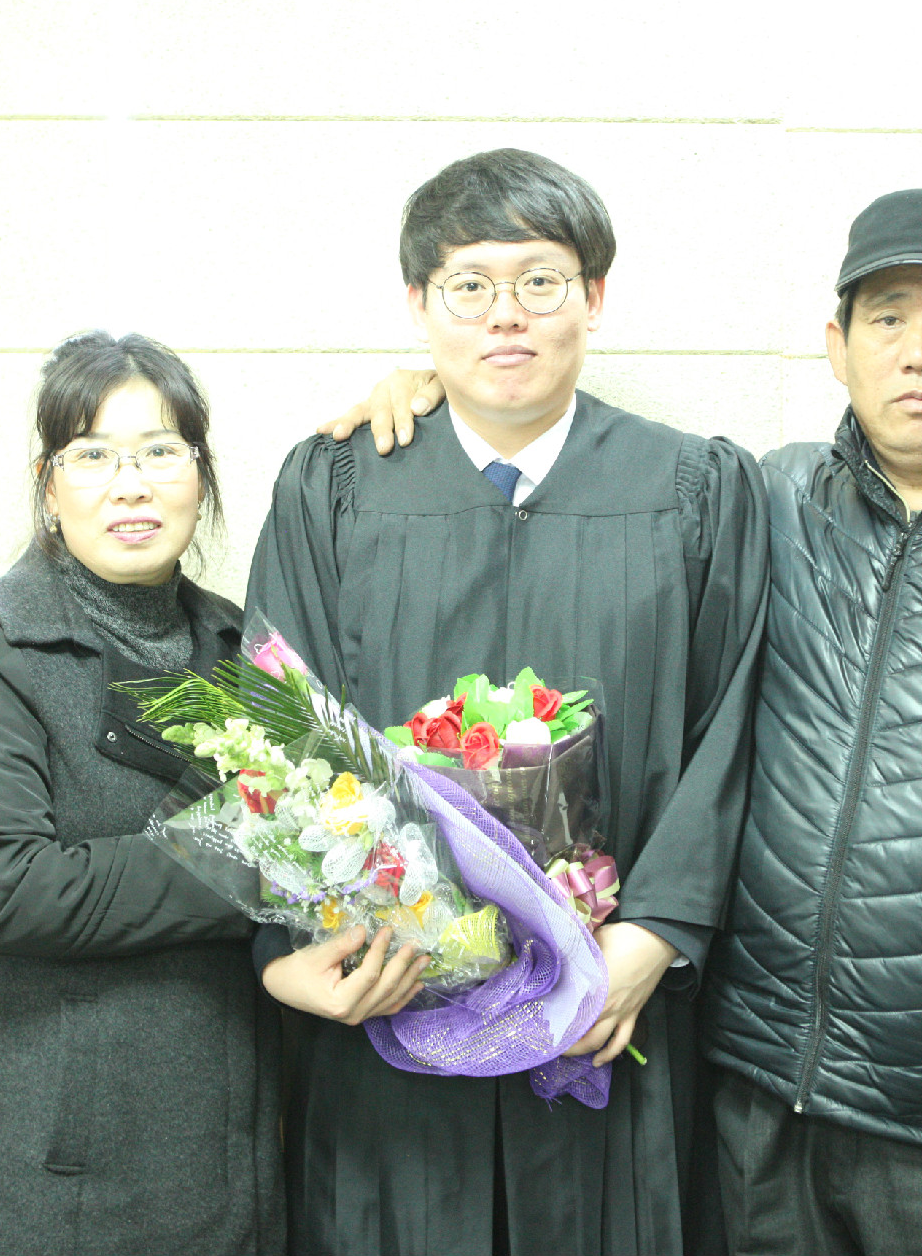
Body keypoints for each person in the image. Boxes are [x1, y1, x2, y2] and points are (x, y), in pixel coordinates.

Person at [330, 188, 922, 1256]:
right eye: (887, 317)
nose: (919, 352)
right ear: (836, 346)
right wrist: (435, 393)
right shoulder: (762, 503)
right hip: (758, 1097)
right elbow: (561, 466)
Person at [247, 148, 770, 1256]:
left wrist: (654, 937)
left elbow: (732, 725)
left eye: (540, 280)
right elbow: (281, 717)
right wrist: (359, 929)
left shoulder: (694, 490)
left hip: (611, 1006)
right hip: (395, 992)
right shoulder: (336, 486)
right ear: (418, 306)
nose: (505, 314)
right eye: (469, 284)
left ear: (594, 296)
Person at [0, 331, 423, 1256]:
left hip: (225, 1145)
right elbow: (5, 889)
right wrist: (263, 856)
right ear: (48, 485)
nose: (130, 484)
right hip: (44, 1155)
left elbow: (325, 852)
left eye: (160, 451)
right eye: (92, 454)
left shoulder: (243, 649)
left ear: (200, 475)